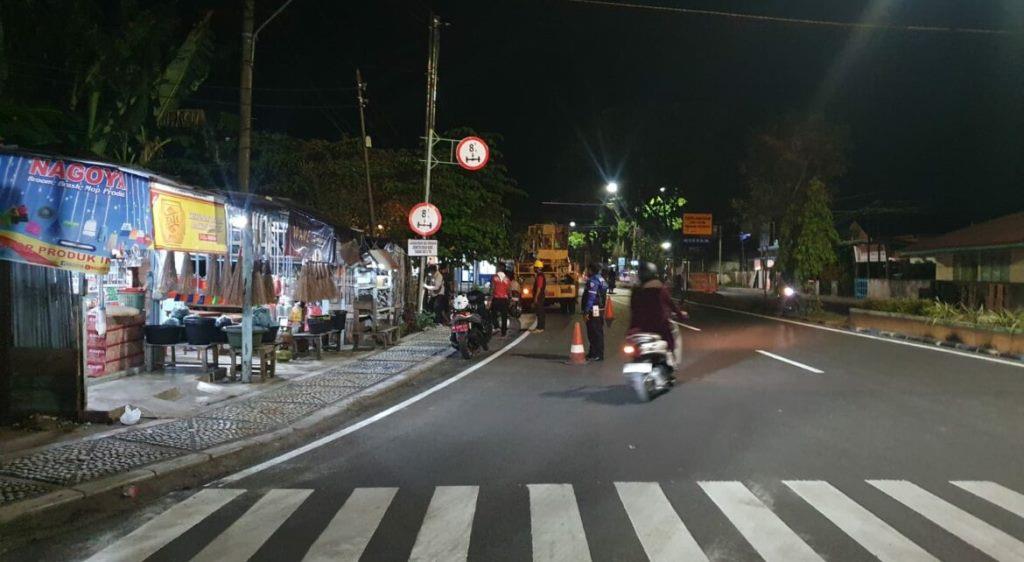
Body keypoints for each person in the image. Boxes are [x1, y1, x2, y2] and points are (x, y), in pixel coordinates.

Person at [629, 262, 687, 366]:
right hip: (659, 326)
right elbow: (671, 305)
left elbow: (633, 309)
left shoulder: (636, 290)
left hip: (638, 328)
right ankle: (670, 360)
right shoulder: (660, 288)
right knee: (671, 341)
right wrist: (681, 315)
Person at [582, 262, 608, 361]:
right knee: (597, 331)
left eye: (588, 269)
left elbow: (591, 297)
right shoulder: (601, 279)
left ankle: (597, 354)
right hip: (600, 308)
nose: (587, 271)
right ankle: (593, 353)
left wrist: (586, 311)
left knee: (594, 331)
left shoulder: (593, 280)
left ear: (591, 270)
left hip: (594, 309)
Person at [490, 262, 512, 336]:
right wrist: (510, 298)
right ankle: (503, 332)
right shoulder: (507, 278)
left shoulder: (494, 277)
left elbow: (492, 289)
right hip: (504, 300)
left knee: (493, 313)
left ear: (499, 268)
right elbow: (509, 290)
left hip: (496, 299)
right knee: (504, 316)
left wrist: (490, 299)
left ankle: (496, 326)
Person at [531, 260, 547, 333]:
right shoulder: (540, 275)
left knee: (540, 312)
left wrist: (535, 297)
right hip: (541, 296)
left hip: (539, 296)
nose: (534, 269)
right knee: (540, 312)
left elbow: (539, 288)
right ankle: (540, 327)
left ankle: (540, 328)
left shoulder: (540, 276)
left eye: (535, 267)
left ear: (537, 268)